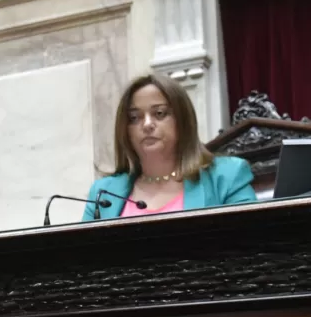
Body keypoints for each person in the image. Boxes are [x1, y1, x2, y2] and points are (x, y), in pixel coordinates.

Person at [83, 73, 256, 220]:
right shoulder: (103, 193)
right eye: (134, 118)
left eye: (159, 114)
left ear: (182, 120)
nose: (147, 124)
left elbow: (252, 248)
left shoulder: (226, 177)